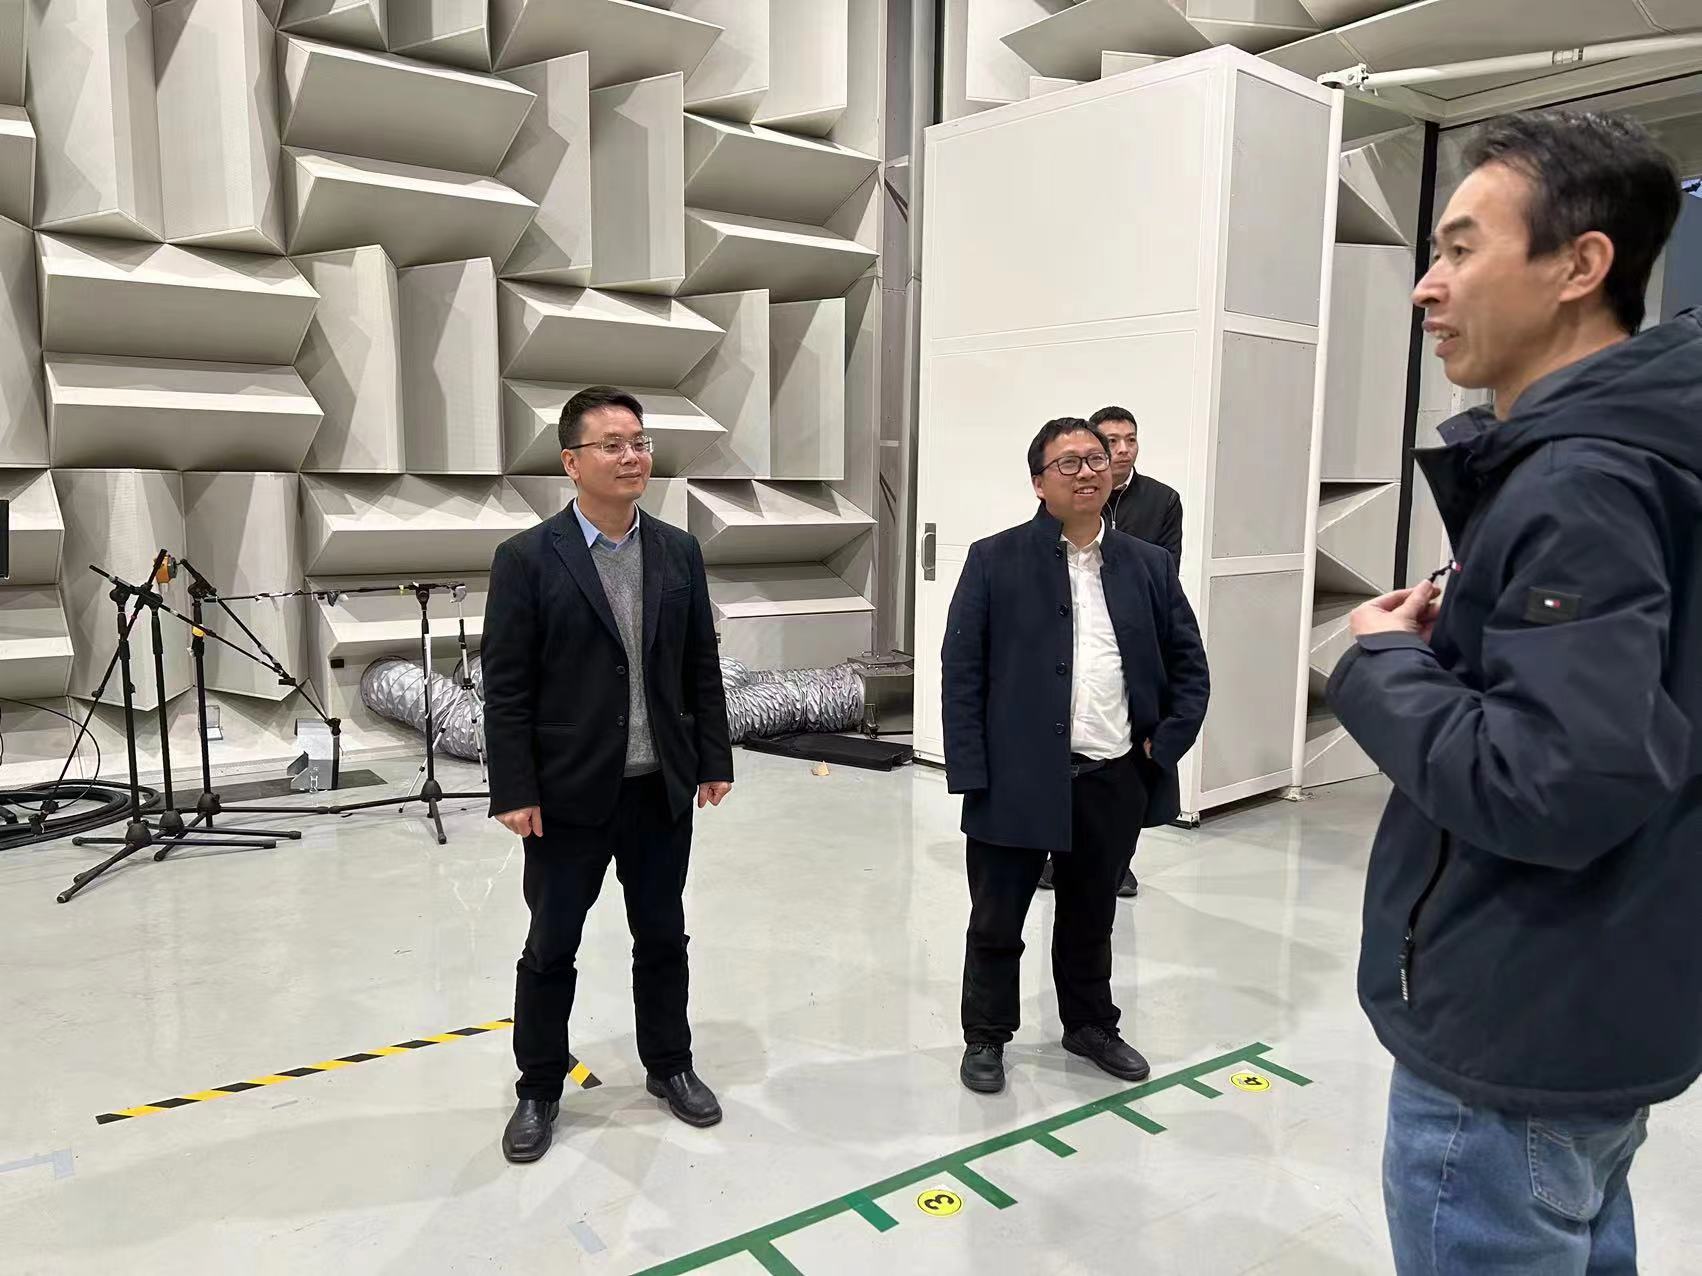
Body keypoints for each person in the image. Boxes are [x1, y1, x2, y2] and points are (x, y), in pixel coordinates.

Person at [1327, 110, 1702, 1273]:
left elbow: (1547, 784)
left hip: (1514, 1026)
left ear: (1579, 265)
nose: (1425, 286)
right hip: (1596, 1001)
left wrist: (1381, 665)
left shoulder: (1581, 481)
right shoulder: (1651, 458)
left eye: (1459, 248)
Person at [483, 385, 735, 1163]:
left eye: (640, 443)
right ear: (572, 462)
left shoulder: (679, 551)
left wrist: (713, 757)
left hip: (660, 788)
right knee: (551, 945)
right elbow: (507, 686)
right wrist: (514, 788)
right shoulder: (527, 559)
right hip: (567, 795)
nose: (633, 457)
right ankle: (538, 1087)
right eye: (613, 444)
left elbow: (700, 664)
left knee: (663, 934)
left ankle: (670, 1064)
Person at [943, 417, 1209, 1095]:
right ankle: (986, 1035)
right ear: (1039, 482)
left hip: (1112, 775)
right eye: (1068, 462)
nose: (1088, 471)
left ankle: (1089, 1025)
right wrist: (970, 772)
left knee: (1092, 917)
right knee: (996, 920)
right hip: (1014, 779)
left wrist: (1164, 747)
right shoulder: (994, 560)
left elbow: (1189, 664)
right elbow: (961, 672)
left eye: (1096, 458)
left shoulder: (1148, 565)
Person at [1039, 405, 1184, 897]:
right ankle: (1054, 850)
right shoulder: (1065, 500)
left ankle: (1119, 860)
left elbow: (1166, 573)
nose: (1122, 450)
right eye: (1111, 442)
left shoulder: (1161, 500)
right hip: (1074, 637)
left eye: (1130, 440)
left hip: (1134, 634)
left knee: (1123, 765)